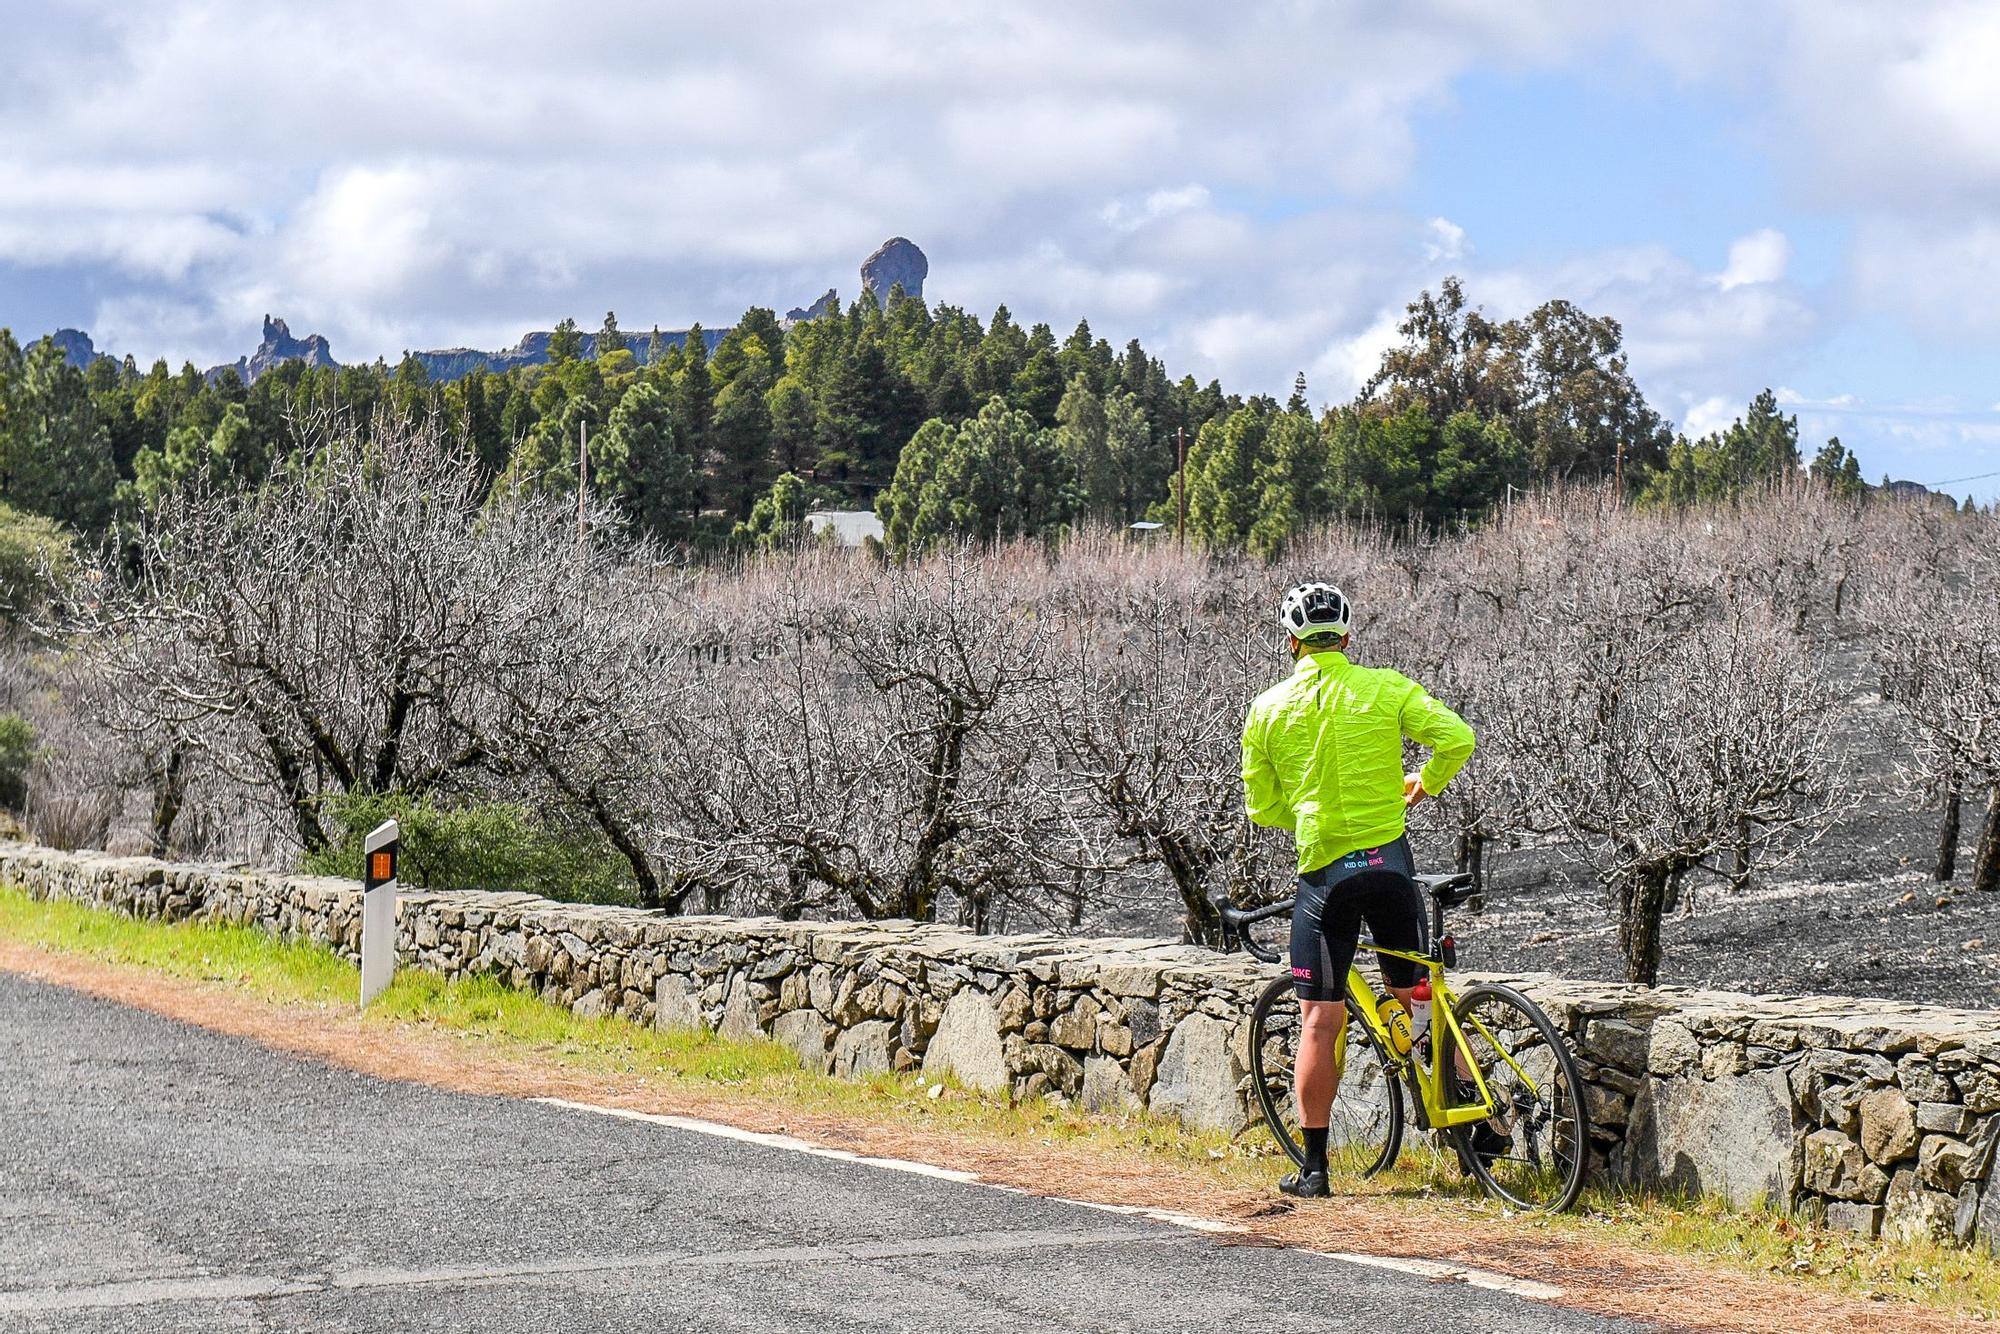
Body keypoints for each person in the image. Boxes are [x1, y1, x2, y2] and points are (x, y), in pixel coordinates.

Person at [1240, 582, 1475, 1198]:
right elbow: (1458, 739)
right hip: (1392, 867)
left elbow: (1262, 808)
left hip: (1327, 874)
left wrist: (1312, 815)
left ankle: (1314, 1170)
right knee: (1417, 994)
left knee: (1319, 1017)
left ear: (1291, 642)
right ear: (1347, 636)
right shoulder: (1386, 686)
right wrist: (1424, 781)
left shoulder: (1266, 711)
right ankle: (1476, 1117)